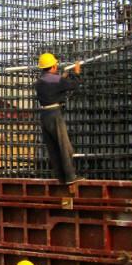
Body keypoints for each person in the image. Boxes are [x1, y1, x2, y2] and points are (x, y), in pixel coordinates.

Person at [35, 52, 83, 184]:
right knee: (64, 146)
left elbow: (54, 88)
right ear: (53, 66)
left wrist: (62, 77)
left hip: (44, 116)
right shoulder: (56, 80)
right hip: (54, 114)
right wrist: (77, 72)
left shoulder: (39, 82)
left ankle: (61, 177)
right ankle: (70, 177)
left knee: (53, 147)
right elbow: (74, 85)